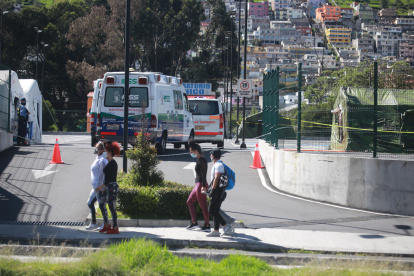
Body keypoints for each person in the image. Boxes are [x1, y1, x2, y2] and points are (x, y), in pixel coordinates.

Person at [95, 141, 121, 234]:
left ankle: (115, 227)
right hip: (108, 187)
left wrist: (101, 187)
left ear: (110, 152)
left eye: (106, 150)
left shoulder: (113, 163)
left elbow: (110, 179)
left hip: (112, 187)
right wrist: (104, 188)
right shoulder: (109, 162)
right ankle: (107, 225)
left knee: (111, 207)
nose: (104, 152)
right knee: (104, 205)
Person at [186, 140, 211, 232]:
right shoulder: (199, 159)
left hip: (201, 184)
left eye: (191, 152)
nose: (191, 153)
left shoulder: (202, 160)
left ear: (196, 151)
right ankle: (194, 223)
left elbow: (204, 174)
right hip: (198, 184)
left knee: (203, 204)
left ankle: (207, 225)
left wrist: (204, 186)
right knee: (189, 201)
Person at [206, 149, 232, 237]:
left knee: (211, 210)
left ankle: (226, 225)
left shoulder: (218, 165)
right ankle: (216, 231)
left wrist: (213, 190)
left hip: (217, 191)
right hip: (219, 191)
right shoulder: (219, 164)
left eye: (211, 154)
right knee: (216, 211)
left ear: (212, 155)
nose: (210, 156)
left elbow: (217, 178)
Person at [85, 141, 108, 230]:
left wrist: (102, 187)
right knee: (90, 203)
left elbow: (104, 175)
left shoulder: (102, 160)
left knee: (102, 205)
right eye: (96, 147)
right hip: (95, 188)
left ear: (103, 149)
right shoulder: (98, 158)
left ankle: (105, 224)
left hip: (100, 188)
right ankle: (94, 223)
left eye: (98, 148)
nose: (96, 149)